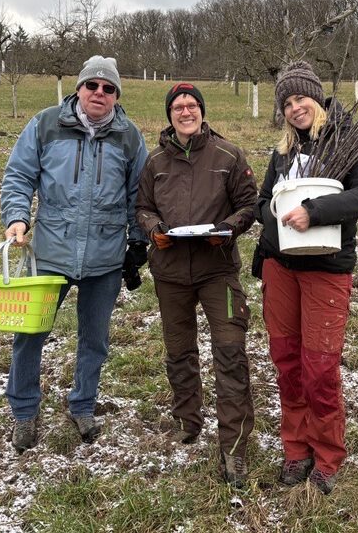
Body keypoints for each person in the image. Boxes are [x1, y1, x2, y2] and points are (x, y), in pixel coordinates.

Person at [1, 55, 148, 452]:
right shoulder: (46, 125)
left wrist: (137, 242)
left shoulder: (130, 137)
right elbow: (19, 175)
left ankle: (83, 405)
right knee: (31, 333)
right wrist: (17, 216)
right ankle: (24, 411)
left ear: (117, 96)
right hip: (50, 252)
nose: (99, 93)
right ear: (79, 89)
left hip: (105, 256)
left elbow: (140, 195)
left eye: (108, 88)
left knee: (95, 338)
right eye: (92, 86)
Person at [252, 61, 358, 494]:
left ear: (318, 97)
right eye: (286, 102)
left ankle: (328, 455)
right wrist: (272, 228)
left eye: (301, 98)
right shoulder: (283, 150)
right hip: (281, 269)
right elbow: (264, 201)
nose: (294, 107)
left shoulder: (348, 142)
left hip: (326, 271)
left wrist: (315, 211)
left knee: (319, 368)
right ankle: (296, 449)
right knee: (287, 364)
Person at [135, 82, 259, 487]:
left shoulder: (228, 154)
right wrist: (155, 231)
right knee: (179, 350)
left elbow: (249, 204)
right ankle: (187, 421)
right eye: (177, 107)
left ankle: (234, 449)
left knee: (229, 351)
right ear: (169, 114)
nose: (185, 112)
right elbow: (143, 207)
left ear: (202, 111)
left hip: (216, 269)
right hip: (170, 272)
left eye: (192, 105)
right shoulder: (155, 162)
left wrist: (227, 229)